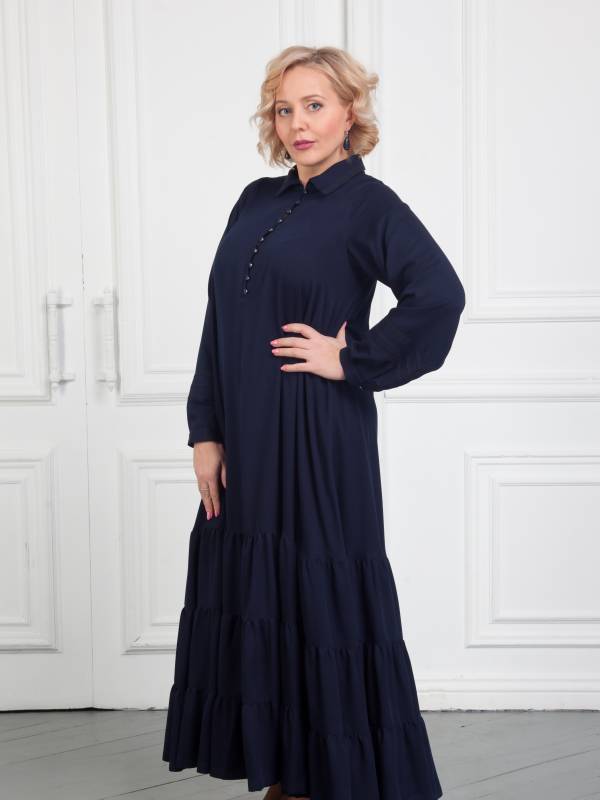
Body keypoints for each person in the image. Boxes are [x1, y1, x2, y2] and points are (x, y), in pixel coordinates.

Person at [162, 44, 465, 800]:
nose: (297, 123)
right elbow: (217, 322)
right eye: (284, 109)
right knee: (259, 596)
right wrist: (205, 430)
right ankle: (286, 774)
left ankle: (334, 776)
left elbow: (440, 296)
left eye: (315, 105)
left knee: (316, 595)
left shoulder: (371, 206)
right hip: (247, 439)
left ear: (350, 112)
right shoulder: (254, 201)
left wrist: (351, 358)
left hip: (318, 439)